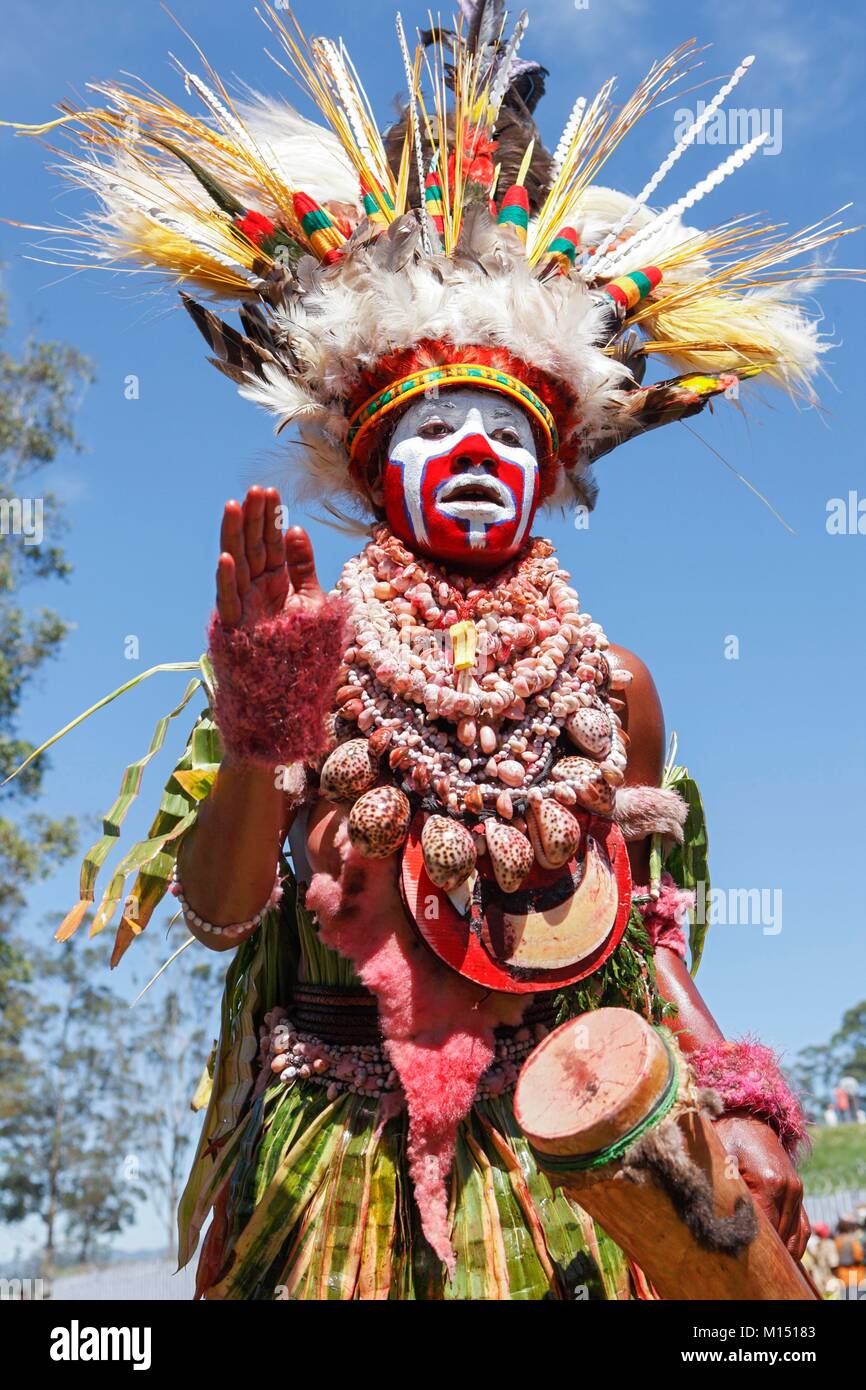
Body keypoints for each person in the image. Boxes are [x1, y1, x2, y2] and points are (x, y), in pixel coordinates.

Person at [15, 3, 851, 1299]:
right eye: (436, 423)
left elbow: (650, 936)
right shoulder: (296, 651)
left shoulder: (608, 688)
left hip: (568, 1178)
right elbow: (222, 910)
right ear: (365, 456)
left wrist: (741, 1098)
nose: (473, 452)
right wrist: (259, 747)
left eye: (504, 430)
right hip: (330, 1182)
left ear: (555, 461)